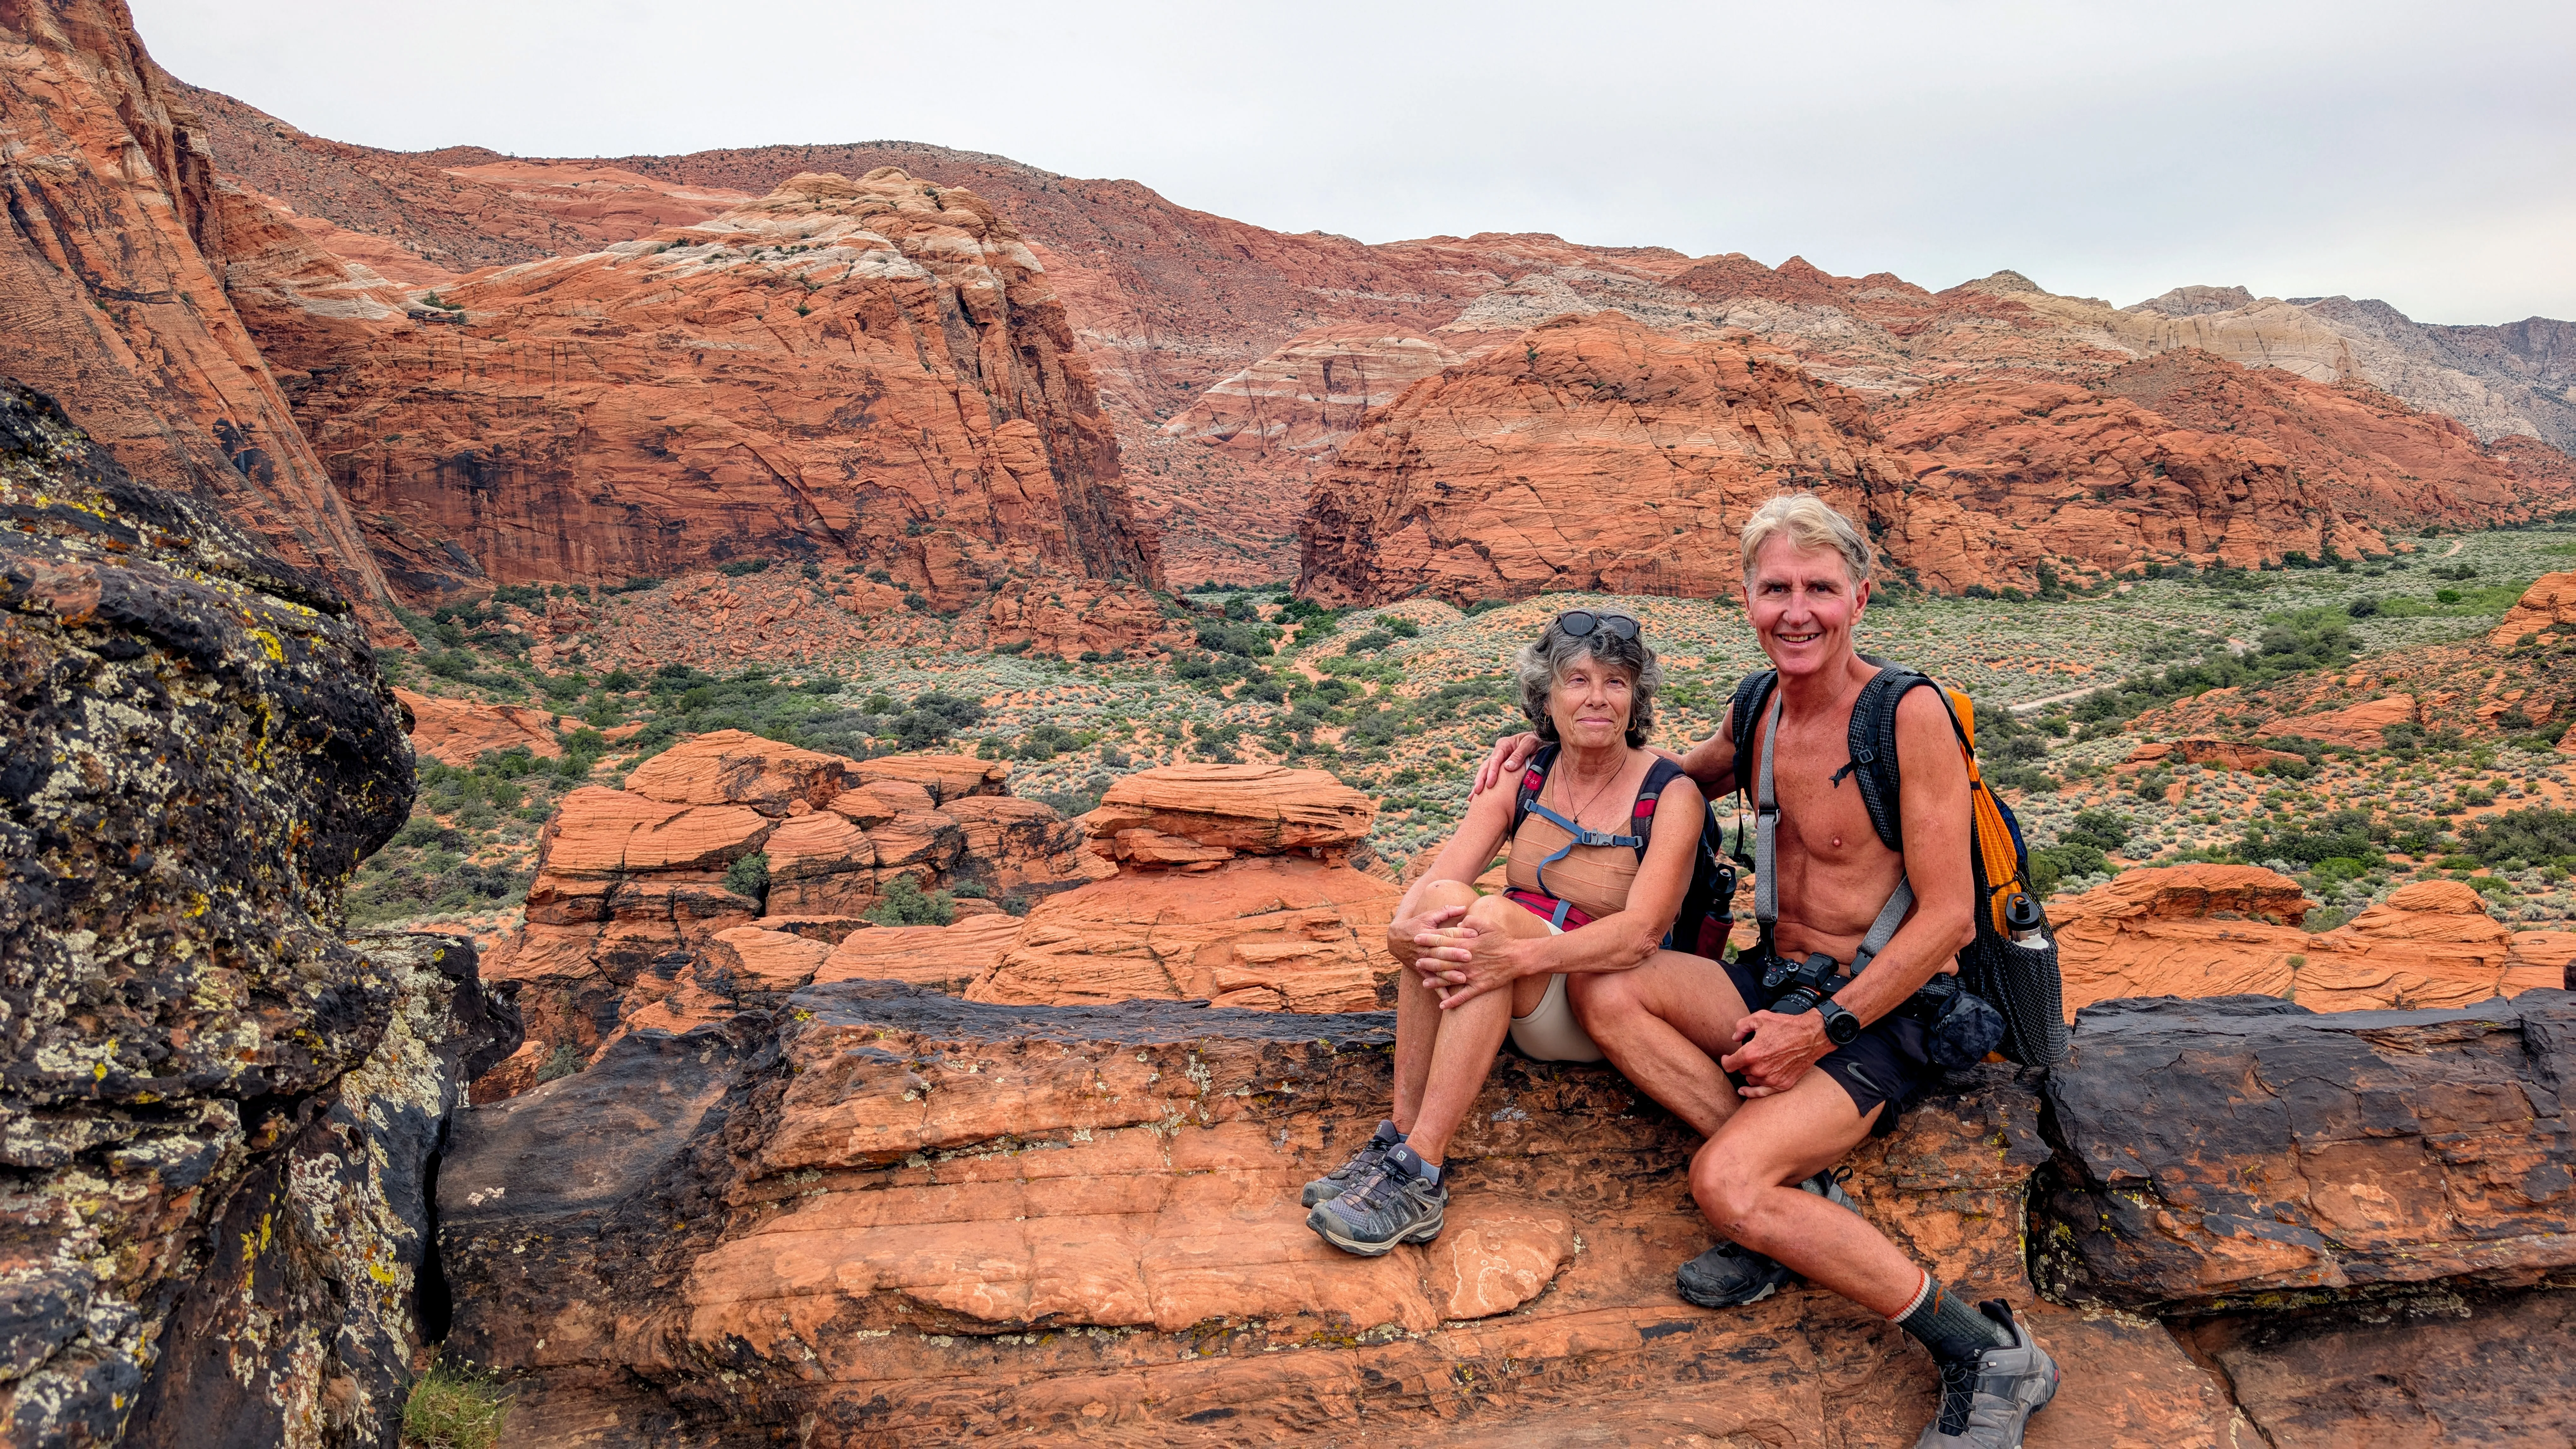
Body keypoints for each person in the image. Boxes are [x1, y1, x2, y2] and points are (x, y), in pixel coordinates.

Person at [1472, 493, 2059, 1449]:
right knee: (1606, 984)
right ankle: (1811, 1205)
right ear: (1745, 597)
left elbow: (1949, 915)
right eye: (1776, 588)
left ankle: (1987, 1350)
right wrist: (1549, 747)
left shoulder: (1908, 715)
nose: (1798, 610)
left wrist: (1817, 1033)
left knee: (1729, 1186)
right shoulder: (1758, 707)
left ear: (1860, 596)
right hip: (1773, 980)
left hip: (1884, 1009)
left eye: (1820, 588)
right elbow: (1661, 781)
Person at [1303, 609, 1707, 1256]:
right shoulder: (1527, 773)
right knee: (1443, 902)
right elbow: (1440, 878)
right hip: (1508, 981)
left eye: (1616, 681)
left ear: (1638, 698)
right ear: (1547, 697)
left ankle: (1422, 1174)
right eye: (1577, 680)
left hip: (1589, 997)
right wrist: (1402, 933)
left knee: (1485, 919)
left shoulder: (1670, 793)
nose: (1597, 697)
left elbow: (1641, 935)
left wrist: (1515, 954)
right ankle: (1398, 1141)